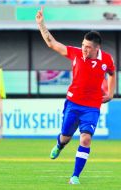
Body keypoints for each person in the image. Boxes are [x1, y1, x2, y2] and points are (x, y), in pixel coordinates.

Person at [35, 7, 116, 184]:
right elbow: (52, 43)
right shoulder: (76, 53)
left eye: (87, 47)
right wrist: (42, 25)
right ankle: (59, 145)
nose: (84, 49)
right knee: (65, 136)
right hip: (73, 103)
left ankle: (75, 176)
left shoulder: (107, 59)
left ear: (97, 48)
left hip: (92, 107)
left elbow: (112, 73)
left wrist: (110, 93)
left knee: (86, 139)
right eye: (82, 45)